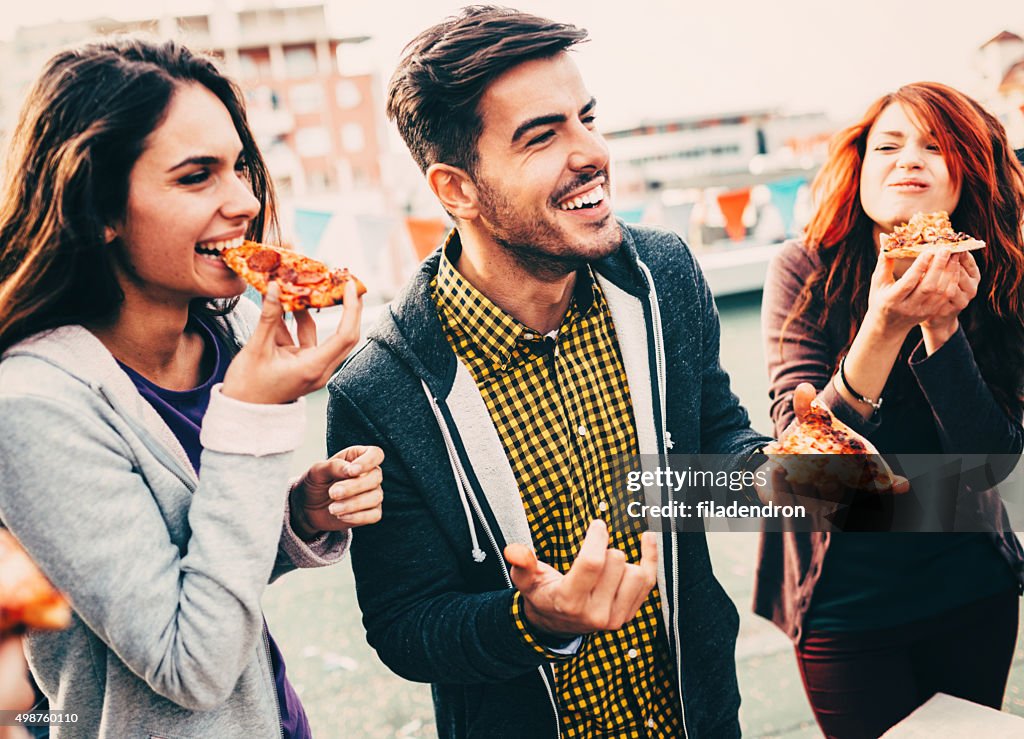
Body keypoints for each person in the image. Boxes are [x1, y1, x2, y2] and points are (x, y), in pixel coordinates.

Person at [324, 6, 792, 738]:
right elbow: (406, 624)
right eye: (543, 135)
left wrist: (802, 481)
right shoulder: (377, 387)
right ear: (456, 190)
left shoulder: (664, 275)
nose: (591, 151)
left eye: (587, 118)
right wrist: (536, 620)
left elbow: (706, 460)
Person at [0, 38, 384, 738]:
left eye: (240, 167)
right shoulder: (33, 407)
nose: (244, 200)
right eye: (195, 176)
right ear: (98, 208)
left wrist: (299, 512)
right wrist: (254, 413)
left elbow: (209, 572)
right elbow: (191, 664)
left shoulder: (225, 331)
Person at [756, 81, 1024, 738]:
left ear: (969, 173)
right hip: (843, 601)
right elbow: (807, 471)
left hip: (973, 588)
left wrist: (943, 331)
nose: (909, 159)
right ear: (861, 168)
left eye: (936, 146)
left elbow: (994, 461)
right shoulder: (802, 270)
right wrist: (885, 323)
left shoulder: (1003, 273)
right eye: (890, 145)